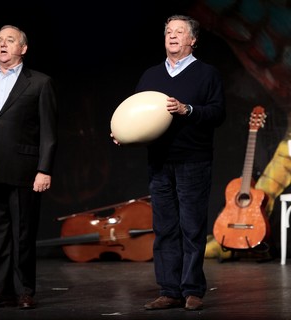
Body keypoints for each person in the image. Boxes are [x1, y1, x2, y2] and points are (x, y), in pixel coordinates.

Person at [112, 15, 225, 311]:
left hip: (194, 161)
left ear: (193, 39)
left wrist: (187, 110)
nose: (172, 36)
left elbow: (218, 114)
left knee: (191, 227)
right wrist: (123, 134)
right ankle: (169, 290)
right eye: (168, 32)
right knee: (164, 229)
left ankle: (192, 290)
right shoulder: (151, 75)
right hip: (160, 162)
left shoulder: (207, 73)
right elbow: (137, 117)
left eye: (179, 32)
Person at [0, 25, 58, 309]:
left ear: (23, 48)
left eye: (10, 40)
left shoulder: (39, 83)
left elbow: (48, 132)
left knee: (22, 233)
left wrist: (44, 169)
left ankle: (24, 291)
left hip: (24, 169)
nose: (3, 45)